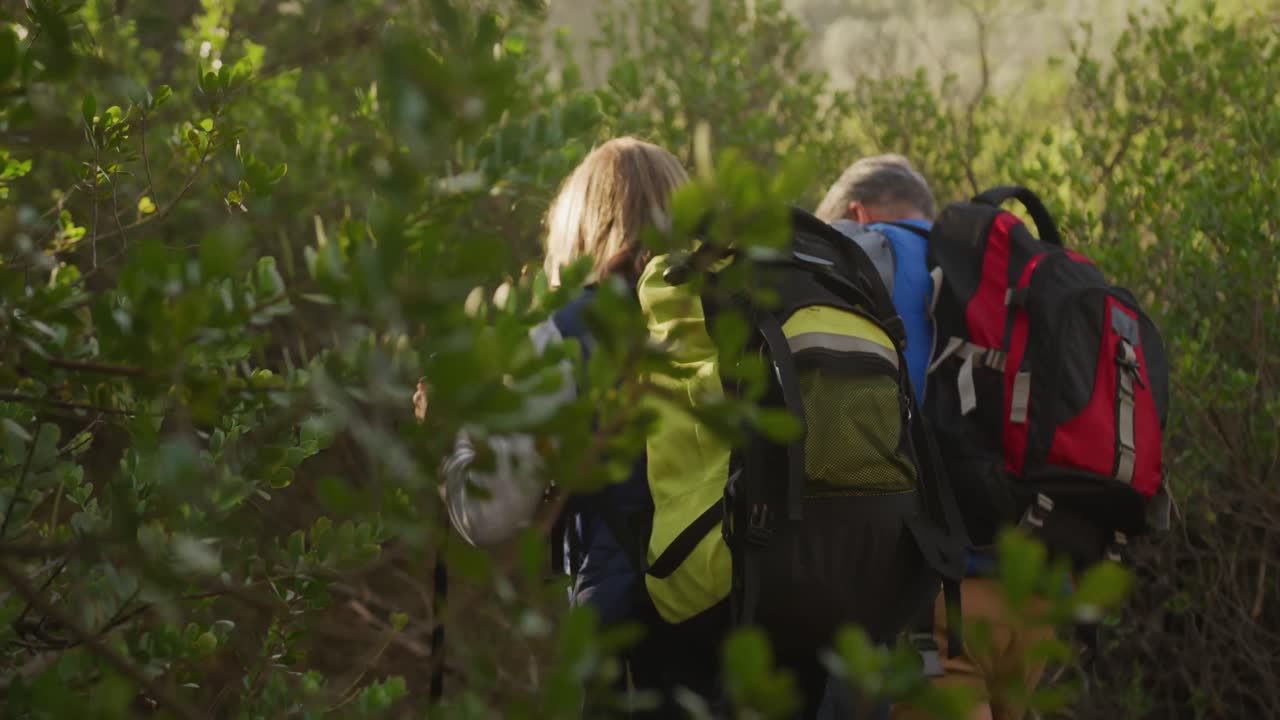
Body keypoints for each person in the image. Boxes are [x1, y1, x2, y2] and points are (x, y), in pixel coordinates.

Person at [429, 137, 723, 717]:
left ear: (581, 224)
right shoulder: (730, 310)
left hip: (627, 645)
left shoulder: (561, 333)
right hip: (746, 625)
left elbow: (488, 516)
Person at [816, 156, 1054, 720]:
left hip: (940, 606)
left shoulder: (866, 257)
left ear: (856, 215)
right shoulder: (995, 272)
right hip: (1033, 594)